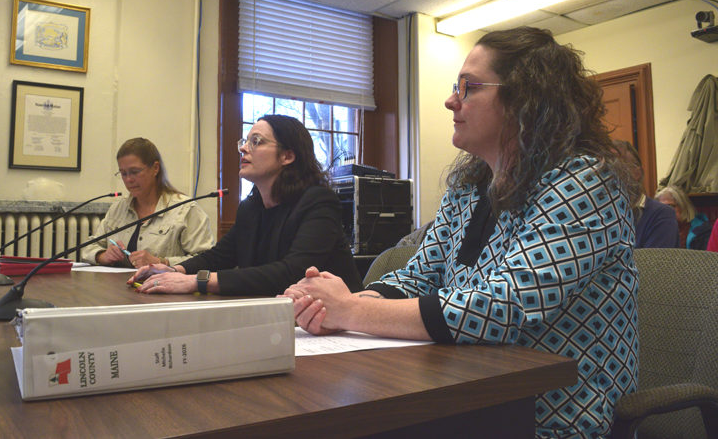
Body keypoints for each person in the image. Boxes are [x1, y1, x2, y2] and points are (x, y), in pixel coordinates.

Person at [284, 27, 639, 439]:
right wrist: (330, 304)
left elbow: (503, 307)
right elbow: (418, 275)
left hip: (551, 413)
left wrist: (352, 310)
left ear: (527, 99)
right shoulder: (470, 185)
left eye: (468, 88)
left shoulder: (583, 181)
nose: (451, 100)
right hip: (465, 392)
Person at [128, 114, 363, 296]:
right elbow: (219, 257)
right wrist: (174, 271)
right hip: (279, 316)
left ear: (287, 156)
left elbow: (292, 272)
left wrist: (198, 281)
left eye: (256, 142)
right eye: (245, 141)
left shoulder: (319, 202)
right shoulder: (251, 208)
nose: (243, 148)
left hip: (339, 325)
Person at [81, 137, 215, 267]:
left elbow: (206, 260)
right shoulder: (118, 208)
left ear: (155, 168)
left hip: (164, 287)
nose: (128, 179)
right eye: (123, 173)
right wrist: (102, 255)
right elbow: (88, 248)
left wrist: (161, 262)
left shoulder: (185, 209)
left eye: (134, 172)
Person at [613, 140, 678, 248]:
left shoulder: (661, 214)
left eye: (617, 168)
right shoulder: (602, 214)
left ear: (637, 173)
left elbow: (654, 262)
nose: (609, 176)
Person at [655, 185, 712, 250]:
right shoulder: (656, 231)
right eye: (661, 208)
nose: (665, 212)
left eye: (670, 206)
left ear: (683, 206)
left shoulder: (702, 231)